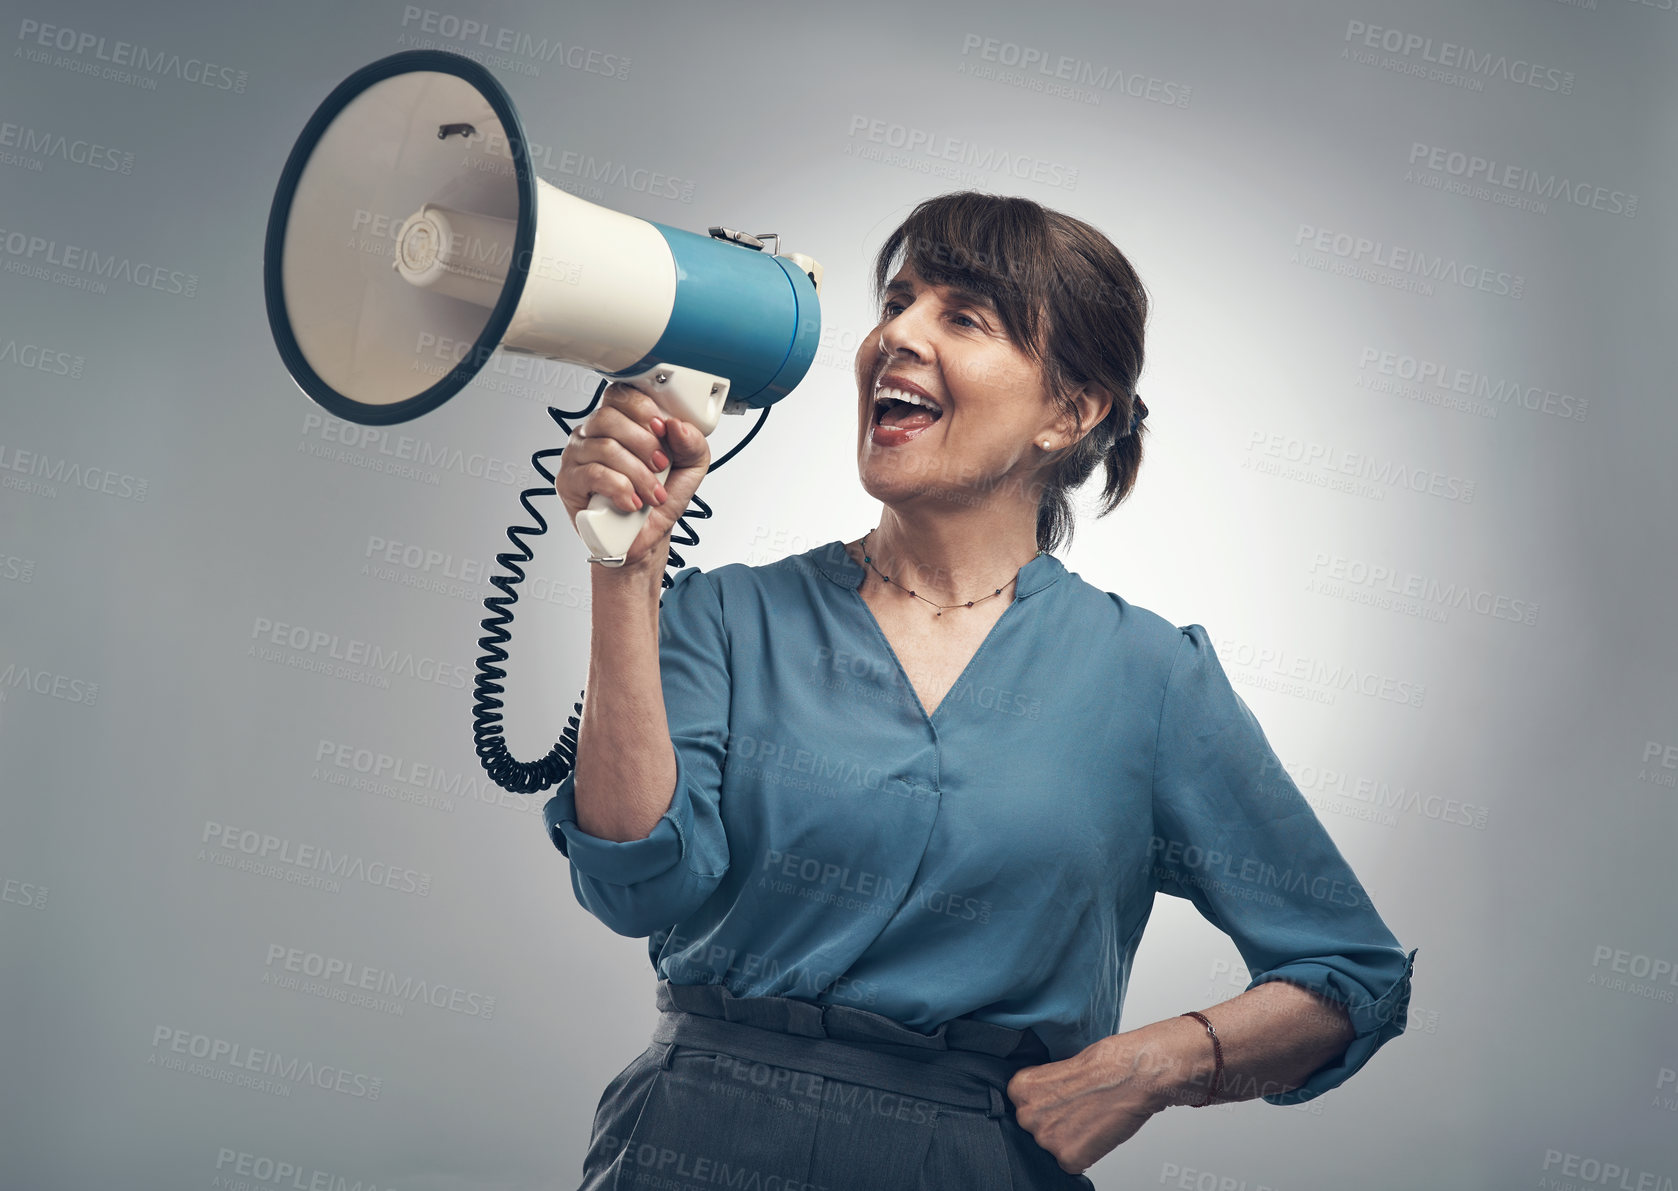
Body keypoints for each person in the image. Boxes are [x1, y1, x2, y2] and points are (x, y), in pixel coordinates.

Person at [548, 191, 1416, 1190]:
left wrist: (1156, 1064)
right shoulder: (722, 617)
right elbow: (634, 885)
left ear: (1070, 411)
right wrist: (624, 573)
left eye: (961, 317)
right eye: (897, 301)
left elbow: (1350, 978)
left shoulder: (1148, 677)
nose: (893, 337)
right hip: (695, 1143)